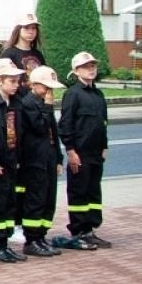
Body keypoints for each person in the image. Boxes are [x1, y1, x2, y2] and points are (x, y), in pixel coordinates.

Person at [55, 51, 110, 250]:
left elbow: (103, 122)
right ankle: (79, 230)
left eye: (93, 66)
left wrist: (104, 146)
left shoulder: (98, 94)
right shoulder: (73, 94)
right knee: (79, 192)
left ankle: (91, 229)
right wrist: (70, 150)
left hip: (96, 153)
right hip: (80, 153)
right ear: (76, 70)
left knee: (93, 192)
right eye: (86, 66)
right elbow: (65, 124)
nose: (91, 69)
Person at [18, 65, 65, 257]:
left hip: (48, 158)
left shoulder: (45, 104)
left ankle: (41, 235)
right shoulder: (28, 103)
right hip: (34, 159)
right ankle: (31, 239)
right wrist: (46, 107)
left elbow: (53, 132)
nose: (49, 92)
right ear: (34, 85)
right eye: (46, 87)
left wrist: (58, 159)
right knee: (35, 199)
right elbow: (39, 127)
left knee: (48, 199)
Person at [0, 59, 27, 264]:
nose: (16, 84)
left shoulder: (13, 103)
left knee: (8, 202)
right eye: (12, 80)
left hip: (10, 161)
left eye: (18, 80)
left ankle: (5, 244)